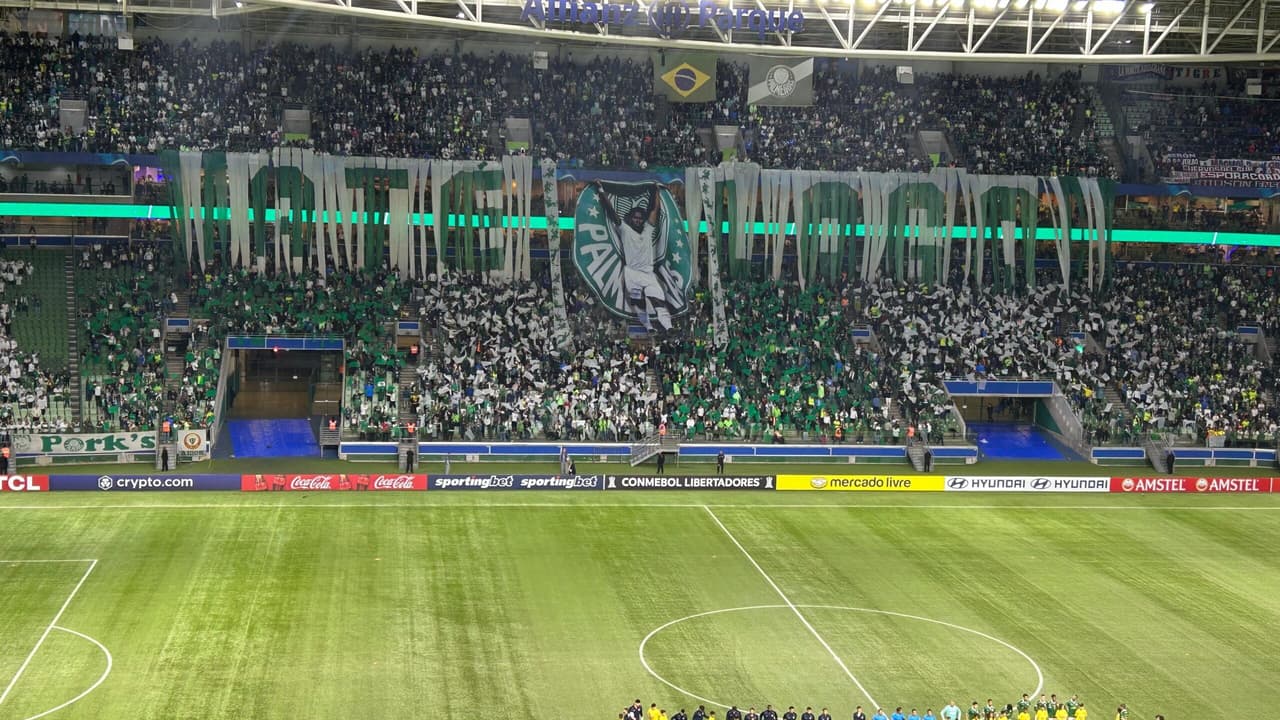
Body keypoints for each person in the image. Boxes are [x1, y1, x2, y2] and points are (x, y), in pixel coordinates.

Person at [592, 179, 677, 331]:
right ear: (631, 218)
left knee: (658, 300)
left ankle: (668, 327)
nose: (637, 220)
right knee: (639, 303)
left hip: (648, 274)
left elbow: (654, 210)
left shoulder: (648, 230)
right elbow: (611, 212)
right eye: (635, 217)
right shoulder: (624, 229)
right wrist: (601, 190)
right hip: (632, 274)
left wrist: (656, 191)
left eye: (640, 218)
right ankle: (648, 326)